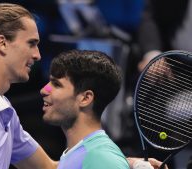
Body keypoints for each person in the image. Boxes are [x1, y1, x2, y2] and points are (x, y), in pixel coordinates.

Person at [0, 2, 166, 169]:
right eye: (31, 43)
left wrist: (128, 163)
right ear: (2, 43)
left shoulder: (0, 110)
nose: (38, 55)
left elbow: (49, 166)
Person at [40, 49, 168, 169]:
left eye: (56, 84)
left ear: (85, 98)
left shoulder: (101, 159)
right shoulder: (88, 155)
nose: (44, 90)